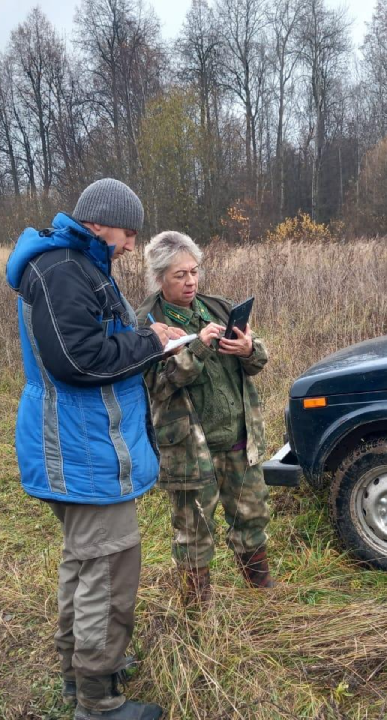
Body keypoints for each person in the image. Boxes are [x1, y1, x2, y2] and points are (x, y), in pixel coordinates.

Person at [5, 178, 181, 720]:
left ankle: (76, 674)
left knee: (85, 566)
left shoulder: (78, 266)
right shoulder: (62, 270)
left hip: (85, 447)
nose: (132, 244)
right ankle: (99, 703)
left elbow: (97, 338)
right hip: (81, 449)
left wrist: (146, 333)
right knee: (108, 571)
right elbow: (78, 360)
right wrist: (151, 343)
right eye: (128, 232)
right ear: (100, 223)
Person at [136, 231, 274, 604]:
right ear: (160, 277)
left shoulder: (217, 307)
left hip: (237, 439)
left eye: (194, 271)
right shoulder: (147, 324)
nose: (190, 281)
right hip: (188, 449)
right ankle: (197, 611)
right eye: (180, 275)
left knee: (252, 516)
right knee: (193, 531)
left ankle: (261, 596)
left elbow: (259, 360)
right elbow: (158, 385)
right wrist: (197, 347)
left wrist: (247, 348)